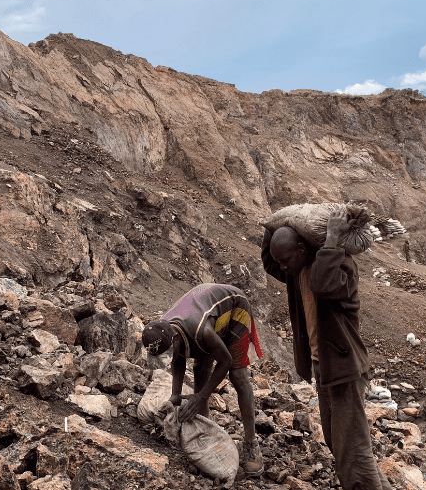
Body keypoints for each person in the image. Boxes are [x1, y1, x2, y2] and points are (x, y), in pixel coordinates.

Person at [261, 208, 393, 490]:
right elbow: (270, 264)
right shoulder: (298, 268)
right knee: (340, 443)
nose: (282, 268)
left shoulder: (340, 266)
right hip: (326, 368)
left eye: (286, 260)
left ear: (301, 249)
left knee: (352, 450)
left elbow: (321, 285)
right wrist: (273, 226)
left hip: (345, 369)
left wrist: (332, 239)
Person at [141, 283, 265, 477]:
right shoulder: (162, 330)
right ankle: (207, 429)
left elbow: (225, 361)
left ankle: (251, 444)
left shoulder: (203, 332)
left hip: (234, 308)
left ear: (174, 340)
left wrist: (200, 396)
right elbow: (178, 359)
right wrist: (175, 395)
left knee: (238, 376)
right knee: (200, 368)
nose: (168, 358)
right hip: (207, 311)